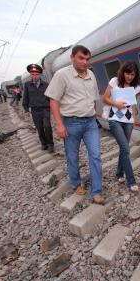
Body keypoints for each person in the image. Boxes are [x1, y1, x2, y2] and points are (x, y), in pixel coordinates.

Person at [45, 45, 104, 204]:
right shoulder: (61, 75)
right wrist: (59, 124)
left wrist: (95, 116)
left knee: (96, 156)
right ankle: (75, 183)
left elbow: (93, 98)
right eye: (81, 58)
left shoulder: (91, 74)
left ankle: (97, 191)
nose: (85, 62)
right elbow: (54, 100)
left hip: (90, 122)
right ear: (72, 58)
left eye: (87, 59)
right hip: (71, 123)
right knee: (72, 156)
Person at [102, 60, 140, 192]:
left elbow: (134, 104)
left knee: (123, 149)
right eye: (127, 73)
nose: (130, 77)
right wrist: (116, 103)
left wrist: (134, 118)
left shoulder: (136, 88)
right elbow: (105, 98)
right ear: (123, 72)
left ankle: (119, 174)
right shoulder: (114, 82)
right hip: (115, 119)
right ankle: (131, 181)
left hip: (128, 121)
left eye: (132, 74)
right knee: (125, 148)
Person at [23, 63, 54, 152]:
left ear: (40, 74)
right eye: (33, 74)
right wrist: (26, 110)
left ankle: (50, 144)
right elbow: (26, 97)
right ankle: (43, 143)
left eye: (36, 74)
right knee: (39, 128)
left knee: (47, 126)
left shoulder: (46, 84)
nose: (34, 76)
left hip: (45, 109)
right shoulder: (27, 85)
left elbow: (50, 97)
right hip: (35, 110)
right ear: (30, 75)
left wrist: (52, 107)